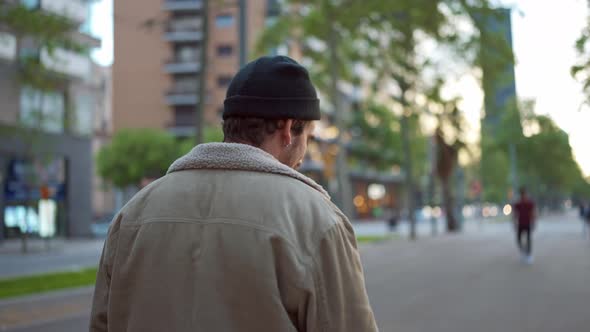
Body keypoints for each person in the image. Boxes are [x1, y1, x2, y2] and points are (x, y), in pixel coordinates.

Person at [89, 56, 377, 332]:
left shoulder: (131, 214)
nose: (303, 156)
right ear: (289, 129)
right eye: (308, 138)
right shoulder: (317, 219)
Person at [512, 187, 536, 264]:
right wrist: (514, 223)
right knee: (518, 239)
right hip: (520, 223)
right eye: (523, 194)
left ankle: (529, 254)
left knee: (528, 239)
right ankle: (523, 252)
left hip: (528, 223)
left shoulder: (530, 203)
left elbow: (533, 213)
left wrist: (534, 222)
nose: (524, 195)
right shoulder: (518, 203)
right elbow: (515, 214)